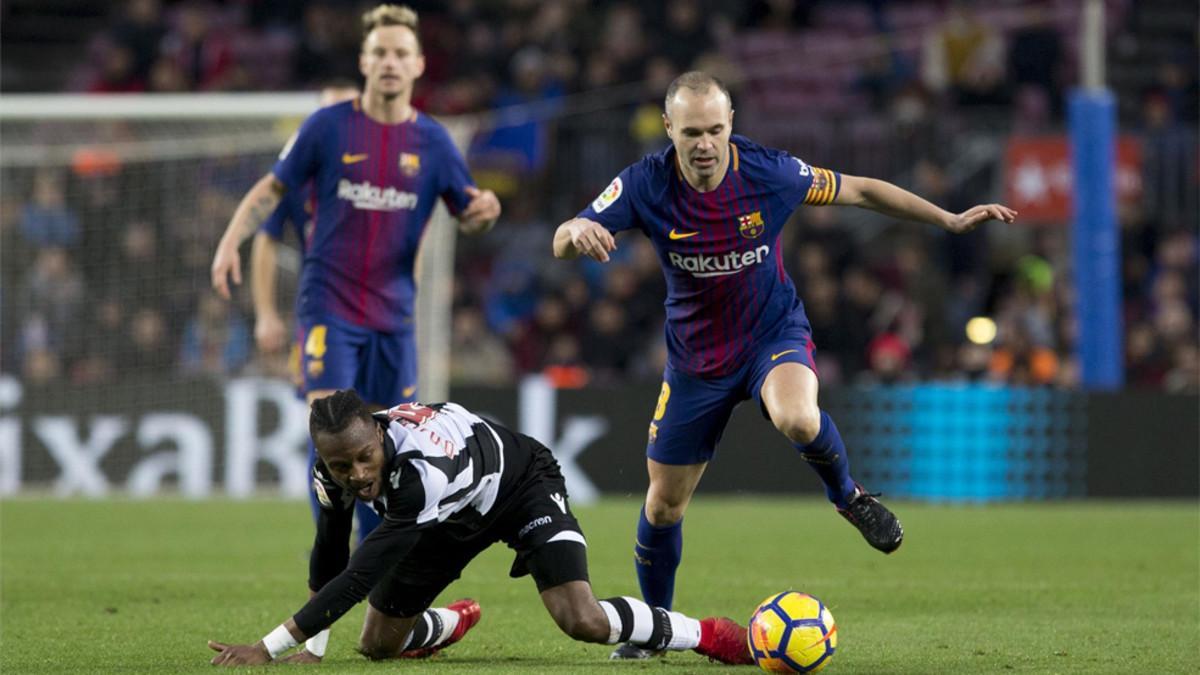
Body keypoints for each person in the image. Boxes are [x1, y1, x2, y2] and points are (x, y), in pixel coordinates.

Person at [552, 71, 1017, 659]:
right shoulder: (644, 184)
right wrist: (580, 228)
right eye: (690, 131)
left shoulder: (770, 173)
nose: (703, 144)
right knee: (663, 502)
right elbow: (564, 236)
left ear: (731, 126)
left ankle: (849, 497)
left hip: (772, 333)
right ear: (668, 128)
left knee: (798, 417)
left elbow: (863, 190)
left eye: (715, 130)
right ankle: (656, 630)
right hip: (696, 361)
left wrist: (946, 220)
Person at [209, 5, 501, 542]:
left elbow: (469, 211)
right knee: (333, 433)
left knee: (386, 447)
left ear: (418, 65)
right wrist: (232, 239)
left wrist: (487, 211)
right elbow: (272, 190)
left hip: (393, 317)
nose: (390, 62)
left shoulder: (434, 143)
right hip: (329, 307)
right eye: (380, 52)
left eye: (401, 53)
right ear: (365, 61)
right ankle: (329, 563)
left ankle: (374, 563)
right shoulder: (326, 126)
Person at [206, 389, 753, 666]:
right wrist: (315, 648)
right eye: (341, 466)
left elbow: (358, 573)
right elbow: (329, 552)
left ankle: (708, 634)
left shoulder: (417, 473)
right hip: (447, 518)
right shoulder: (336, 473)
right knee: (376, 646)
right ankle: (450, 622)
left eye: (364, 458)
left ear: (378, 432)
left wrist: (268, 647)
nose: (358, 474)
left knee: (580, 620)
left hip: (519, 487)